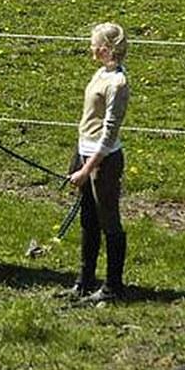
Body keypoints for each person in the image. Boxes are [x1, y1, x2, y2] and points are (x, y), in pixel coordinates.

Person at [65, 22, 130, 303]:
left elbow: (110, 131)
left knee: (109, 221)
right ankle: (85, 280)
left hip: (102, 160)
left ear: (104, 49)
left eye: (93, 43)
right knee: (88, 219)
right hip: (85, 151)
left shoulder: (118, 83)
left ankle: (113, 286)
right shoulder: (101, 73)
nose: (90, 47)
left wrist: (87, 169)